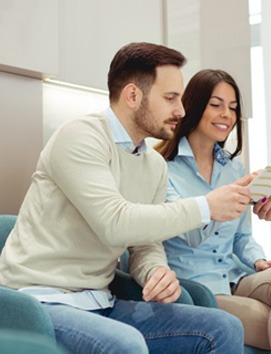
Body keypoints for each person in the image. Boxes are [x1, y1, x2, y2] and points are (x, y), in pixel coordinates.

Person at [0, 42, 252, 354]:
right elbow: (115, 223)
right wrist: (207, 206)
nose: (182, 111)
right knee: (125, 344)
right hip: (39, 301)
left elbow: (144, 244)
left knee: (223, 327)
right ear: (133, 95)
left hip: (102, 300)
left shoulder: (153, 165)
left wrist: (155, 272)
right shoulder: (80, 137)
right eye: (170, 98)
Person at [150, 69, 271, 354]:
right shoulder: (162, 168)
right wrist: (226, 197)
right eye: (216, 105)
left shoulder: (233, 168)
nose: (227, 115)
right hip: (197, 288)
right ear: (194, 105)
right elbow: (190, 234)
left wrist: (258, 261)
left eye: (233, 108)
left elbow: (241, 237)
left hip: (234, 276)